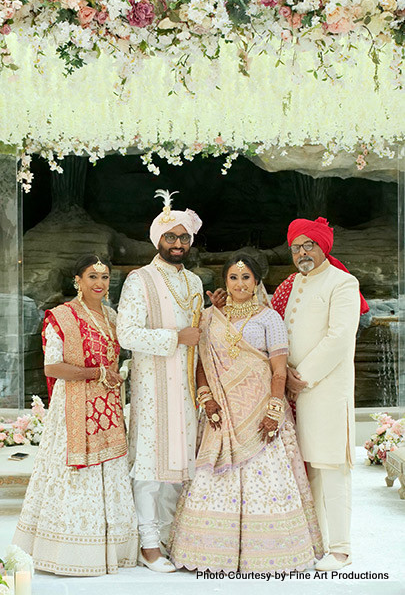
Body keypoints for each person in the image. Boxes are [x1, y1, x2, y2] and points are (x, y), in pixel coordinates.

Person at [169, 253, 323, 573]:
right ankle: (210, 551)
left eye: (246, 278)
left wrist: (274, 410)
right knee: (214, 477)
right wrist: (206, 398)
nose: (240, 284)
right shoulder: (210, 318)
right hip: (221, 414)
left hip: (259, 411)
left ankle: (269, 551)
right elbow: (201, 365)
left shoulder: (270, 319)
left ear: (256, 282)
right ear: (225, 282)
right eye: (233, 278)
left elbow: (278, 371)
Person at [13, 254, 138, 576]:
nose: (99, 283)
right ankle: (69, 550)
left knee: (108, 472)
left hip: (107, 408)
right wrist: (97, 372)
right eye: (92, 277)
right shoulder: (61, 316)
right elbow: (52, 367)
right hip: (73, 408)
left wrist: (119, 371)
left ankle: (110, 549)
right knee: (75, 477)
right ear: (77, 281)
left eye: (105, 277)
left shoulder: (113, 316)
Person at [117, 190, 210, 573]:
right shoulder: (139, 280)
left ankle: (172, 537)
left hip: (186, 389)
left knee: (180, 465)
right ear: (158, 240)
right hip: (154, 388)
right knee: (151, 466)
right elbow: (126, 335)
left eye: (184, 237)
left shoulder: (195, 282)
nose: (178, 243)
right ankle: (148, 544)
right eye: (171, 237)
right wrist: (175, 337)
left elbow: (203, 333)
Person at [270, 217, 369, 571]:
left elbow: (340, 337)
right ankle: (317, 542)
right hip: (295, 390)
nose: (301, 253)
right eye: (296, 247)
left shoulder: (343, 282)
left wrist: (302, 377)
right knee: (308, 468)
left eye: (308, 245)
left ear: (322, 245)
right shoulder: (295, 282)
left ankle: (341, 548)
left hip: (324, 390)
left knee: (332, 466)